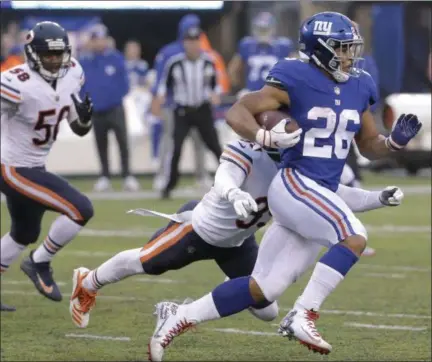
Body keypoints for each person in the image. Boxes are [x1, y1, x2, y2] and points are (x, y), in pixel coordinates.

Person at [145, 11, 422, 360]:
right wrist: (263, 136)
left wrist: (393, 144)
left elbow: (367, 145)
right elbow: (238, 112)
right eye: (342, 48)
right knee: (353, 236)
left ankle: (178, 315)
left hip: (322, 190)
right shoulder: (293, 74)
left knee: (263, 289)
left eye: (352, 48)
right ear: (319, 49)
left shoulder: (360, 83)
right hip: (296, 184)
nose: (350, 55)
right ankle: (304, 313)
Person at [68, 133, 400, 329]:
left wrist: (376, 198)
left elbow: (333, 195)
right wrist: (234, 193)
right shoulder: (248, 147)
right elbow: (225, 175)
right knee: (148, 262)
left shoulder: (300, 164)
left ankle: (179, 310)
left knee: (267, 307)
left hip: (239, 242)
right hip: (199, 230)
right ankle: (88, 280)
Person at [0, 21, 94, 311]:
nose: (54, 60)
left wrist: (85, 119)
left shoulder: (73, 73)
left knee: (24, 233)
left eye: (58, 54)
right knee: (80, 208)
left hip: (35, 166)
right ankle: (39, 261)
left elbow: (78, 128)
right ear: (32, 54)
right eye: (47, 54)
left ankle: (34, 256)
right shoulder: (14, 82)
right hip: (13, 168)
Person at [153, 26, 223, 199]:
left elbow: (215, 86)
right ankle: (169, 184)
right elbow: (164, 86)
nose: (192, 45)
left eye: (195, 41)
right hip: (182, 111)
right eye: (189, 42)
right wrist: (159, 100)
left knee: (215, 147)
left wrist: (215, 95)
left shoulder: (208, 62)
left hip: (202, 109)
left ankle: (228, 180)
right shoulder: (175, 63)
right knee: (176, 148)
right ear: (184, 43)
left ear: (200, 43)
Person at [79, 24, 140, 192]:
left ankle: (127, 176)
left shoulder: (116, 58)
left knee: (122, 142)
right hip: (96, 110)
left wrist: (112, 98)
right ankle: (105, 176)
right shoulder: (85, 61)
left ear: (106, 40)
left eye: (100, 39)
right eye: (95, 39)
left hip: (115, 108)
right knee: (101, 144)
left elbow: (125, 84)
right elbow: (80, 85)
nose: (98, 42)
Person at [228, 12, 295, 93]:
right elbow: (233, 70)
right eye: (260, 29)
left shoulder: (283, 46)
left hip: (276, 93)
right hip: (252, 92)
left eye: (265, 29)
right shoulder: (247, 45)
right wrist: (239, 88)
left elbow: (296, 70)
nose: (263, 33)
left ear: (273, 29)